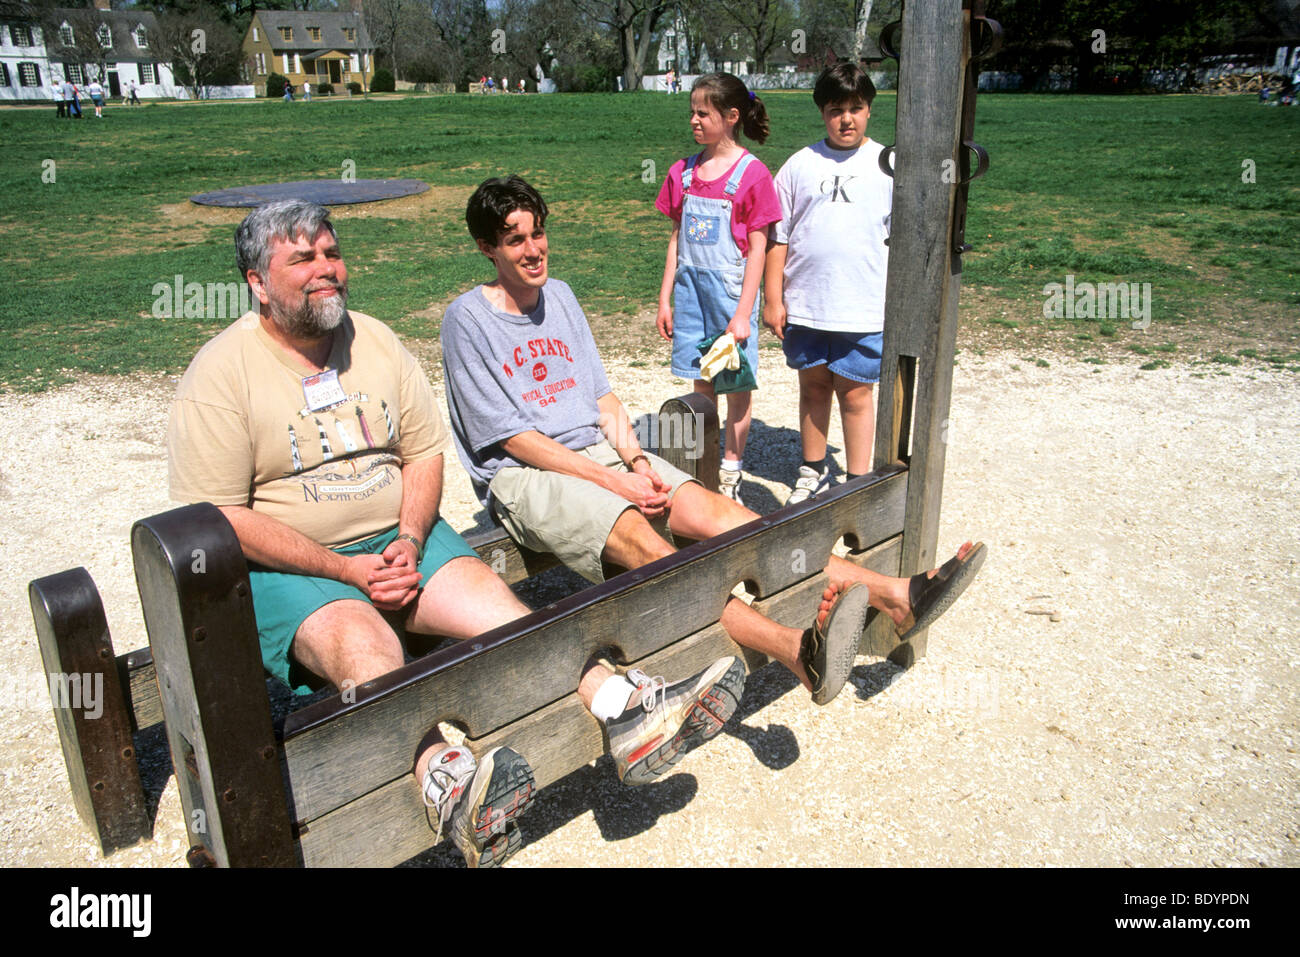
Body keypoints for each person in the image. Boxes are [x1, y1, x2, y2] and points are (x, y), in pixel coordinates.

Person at [167, 200, 737, 866]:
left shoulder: (373, 340)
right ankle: (452, 785)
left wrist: (409, 538)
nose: (326, 270)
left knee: (509, 617)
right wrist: (345, 569)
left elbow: (424, 453)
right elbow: (222, 517)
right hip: (298, 564)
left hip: (403, 537)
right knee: (369, 649)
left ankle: (625, 712)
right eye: (303, 259)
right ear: (258, 282)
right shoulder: (220, 373)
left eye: (331, 252)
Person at [441, 176, 986, 721]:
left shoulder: (558, 295)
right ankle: (798, 651)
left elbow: (603, 400)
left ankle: (896, 596)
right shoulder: (467, 319)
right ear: (487, 248)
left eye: (538, 234)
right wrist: (615, 482)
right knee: (650, 546)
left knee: (730, 516)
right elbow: (513, 438)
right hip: (526, 475)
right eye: (515, 240)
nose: (534, 250)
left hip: (599, 458)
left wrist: (635, 462)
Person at [763, 61, 889, 506]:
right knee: (814, 387)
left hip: (863, 306)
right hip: (807, 305)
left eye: (856, 108)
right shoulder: (800, 165)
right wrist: (773, 297)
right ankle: (813, 470)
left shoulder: (888, 165)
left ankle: (856, 481)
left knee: (856, 394)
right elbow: (777, 237)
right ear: (822, 112)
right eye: (836, 109)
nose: (847, 119)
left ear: (870, 110)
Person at [655, 73, 781, 506]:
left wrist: (743, 313)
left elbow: (760, 249)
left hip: (730, 297)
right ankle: (701, 468)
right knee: (700, 384)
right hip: (690, 296)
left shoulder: (752, 175)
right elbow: (676, 238)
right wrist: (664, 297)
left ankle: (730, 468)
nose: (693, 119)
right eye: (691, 111)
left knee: (734, 385)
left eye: (702, 112)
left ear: (731, 117)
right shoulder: (682, 173)